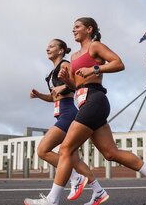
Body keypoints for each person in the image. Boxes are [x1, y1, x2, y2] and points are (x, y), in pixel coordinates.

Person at [24, 17, 146, 205]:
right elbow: (77, 85)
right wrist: (67, 80)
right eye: (72, 28)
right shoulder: (74, 57)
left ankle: (52, 200)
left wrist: (95, 69)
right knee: (110, 153)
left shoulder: (95, 46)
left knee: (66, 148)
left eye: (77, 27)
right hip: (83, 101)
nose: (73, 30)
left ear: (89, 29)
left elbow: (118, 63)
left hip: (95, 99)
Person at [24, 39, 106, 204]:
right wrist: (39, 95)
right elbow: (55, 97)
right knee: (73, 159)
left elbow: (77, 84)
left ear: (61, 51)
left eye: (52, 46)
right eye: (47, 46)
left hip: (68, 114)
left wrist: (64, 87)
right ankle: (98, 190)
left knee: (42, 150)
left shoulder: (65, 65)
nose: (48, 48)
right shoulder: (52, 72)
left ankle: (74, 178)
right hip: (61, 113)